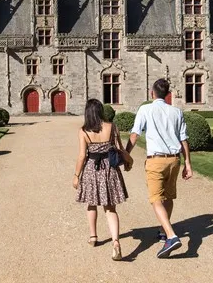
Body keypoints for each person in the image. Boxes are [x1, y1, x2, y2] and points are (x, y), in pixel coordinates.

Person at [125, 78, 192, 258]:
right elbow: (183, 139)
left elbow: (134, 135)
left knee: (156, 199)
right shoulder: (177, 112)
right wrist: (188, 164)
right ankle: (164, 230)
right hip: (174, 161)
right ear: (168, 94)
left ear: (151, 92)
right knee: (168, 197)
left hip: (156, 161)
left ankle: (171, 236)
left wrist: (126, 155)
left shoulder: (145, 109)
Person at [73, 99, 130, 261]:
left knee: (91, 203)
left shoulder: (83, 131)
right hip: (110, 168)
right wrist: (128, 161)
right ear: (100, 111)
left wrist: (76, 175)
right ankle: (116, 242)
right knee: (110, 208)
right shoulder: (112, 127)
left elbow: (82, 156)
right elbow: (119, 149)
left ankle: (93, 237)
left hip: (92, 168)